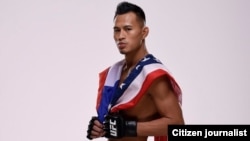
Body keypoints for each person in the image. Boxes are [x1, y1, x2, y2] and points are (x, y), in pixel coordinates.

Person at [86, 1, 184, 141]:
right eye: (117, 30)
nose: (121, 36)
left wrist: (128, 127)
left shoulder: (153, 75)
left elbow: (177, 123)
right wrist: (101, 127)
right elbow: (117, 121)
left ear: (144, 32)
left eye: (128, 29)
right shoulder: (115, 72)